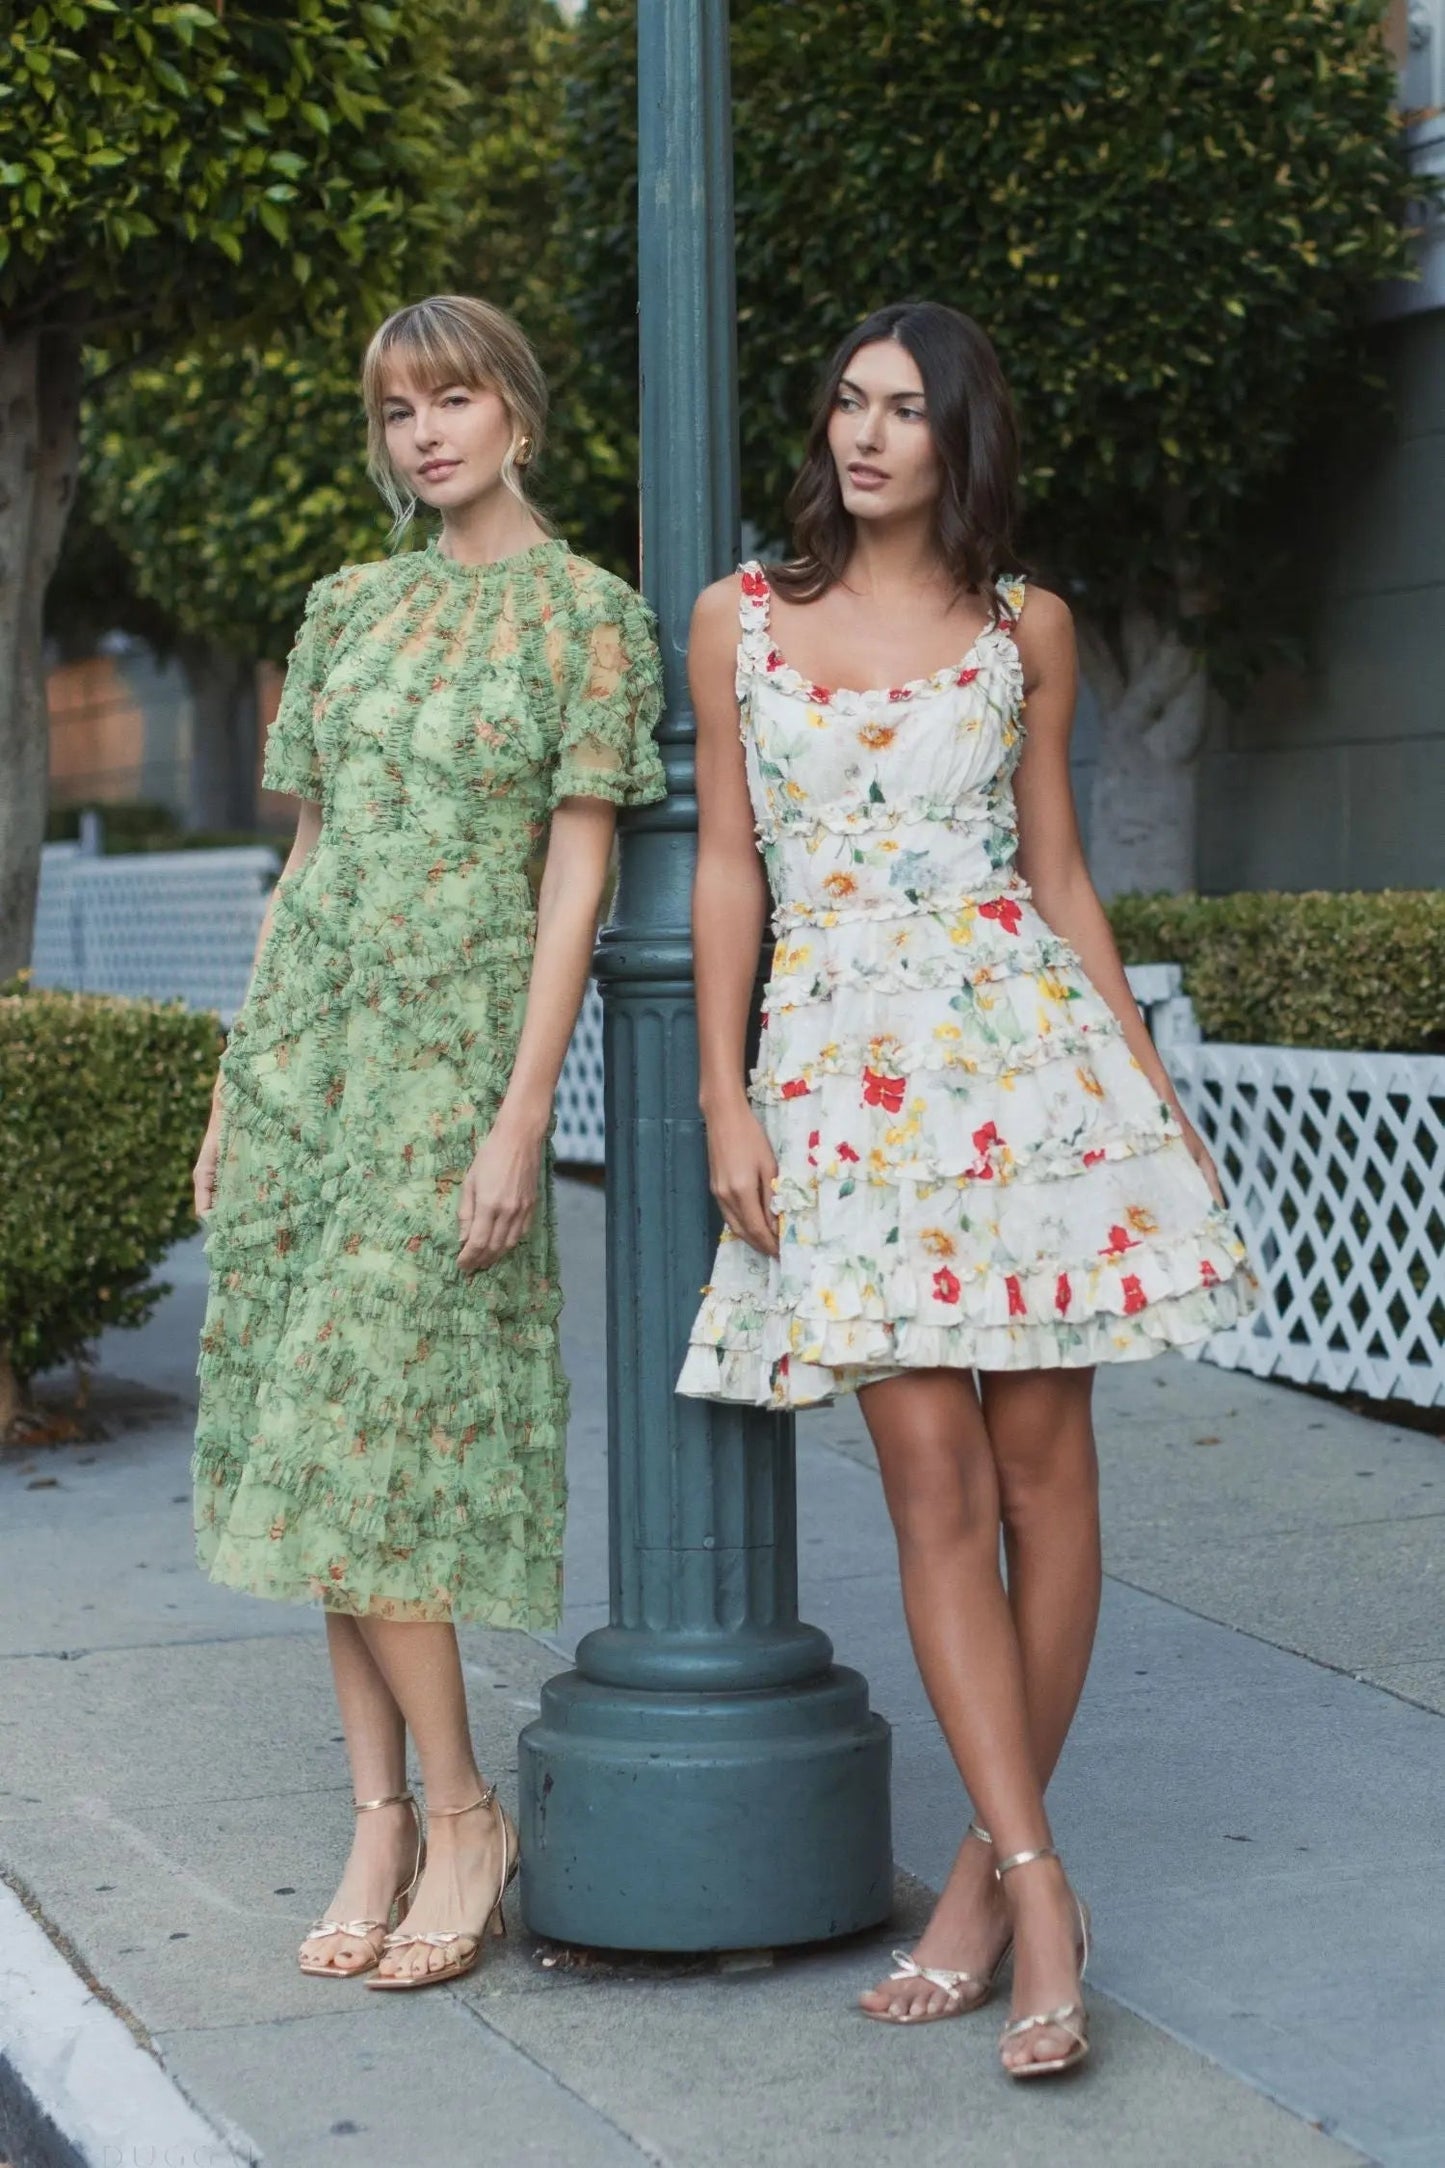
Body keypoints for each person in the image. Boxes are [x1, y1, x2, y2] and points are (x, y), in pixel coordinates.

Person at [677, 300, 1254, 2078]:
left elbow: (1059, 873)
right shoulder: (737, 621)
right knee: (927, 1474)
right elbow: (722, 869)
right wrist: (725, 1099)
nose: (865, 436)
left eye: (904, 411)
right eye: (847, 404)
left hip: (1025, 1066)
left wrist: (1143, 1094)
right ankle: (1035, 1875)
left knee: (1038, 1467)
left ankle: (993, 1887)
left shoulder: (1031, 629)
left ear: (957, 440)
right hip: (840, 1077)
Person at [191, 294, 664, 1989]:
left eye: (451, 401)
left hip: (450, 1071)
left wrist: (518, 1115)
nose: (424, 436)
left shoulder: (589, 621)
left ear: (518, 417)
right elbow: (304, 859)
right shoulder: (347, 607)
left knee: (377, 1436)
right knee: (317, 1439)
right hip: (315, 1063)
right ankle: (381, 1815)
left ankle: (464, 1812)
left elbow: (579, 880)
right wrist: (240, 1086)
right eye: (398, 412)